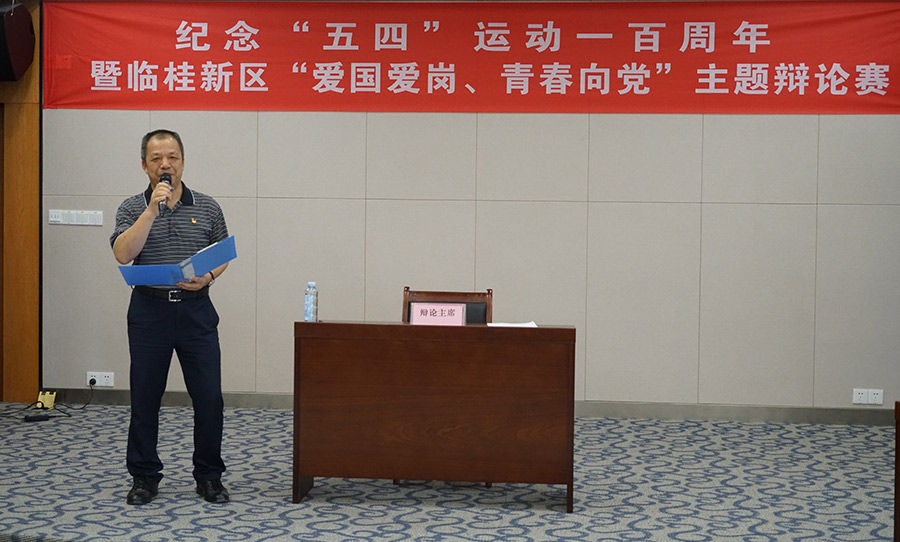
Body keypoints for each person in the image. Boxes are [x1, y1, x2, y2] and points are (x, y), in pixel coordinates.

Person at [110, 129, 230, 505]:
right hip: (149, 312)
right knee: (145, 397)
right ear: (144, 165)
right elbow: (123, 254)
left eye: (173, 157)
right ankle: (144, 476)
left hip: (196, 311)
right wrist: (151, 210)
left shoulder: (207, 206)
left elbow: (222, 253)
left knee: (209, 397)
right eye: (157, 158)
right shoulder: (131, 207)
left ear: (183, 162)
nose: (166, 164)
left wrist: (208, 276)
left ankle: (209, 476)